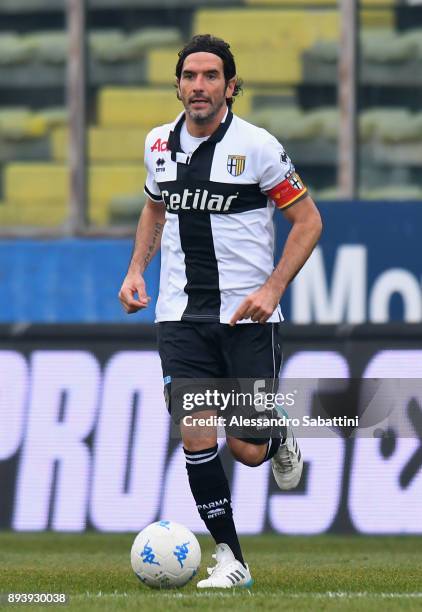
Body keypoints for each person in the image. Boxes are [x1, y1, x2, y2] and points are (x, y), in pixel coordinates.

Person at [119, 34, 322, 589]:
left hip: (246, 318)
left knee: (248, 448)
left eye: (211, 76)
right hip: (179, 317)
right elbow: (153, 208)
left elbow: (308, 222)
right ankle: (231, 559)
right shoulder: (159, 144)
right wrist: (137, 268)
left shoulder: (258, 146)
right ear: (178, 85)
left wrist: (274, 289)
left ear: (231, 87)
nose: (199, 86)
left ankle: (276, 435)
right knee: (196, 431)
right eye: (190, 76)